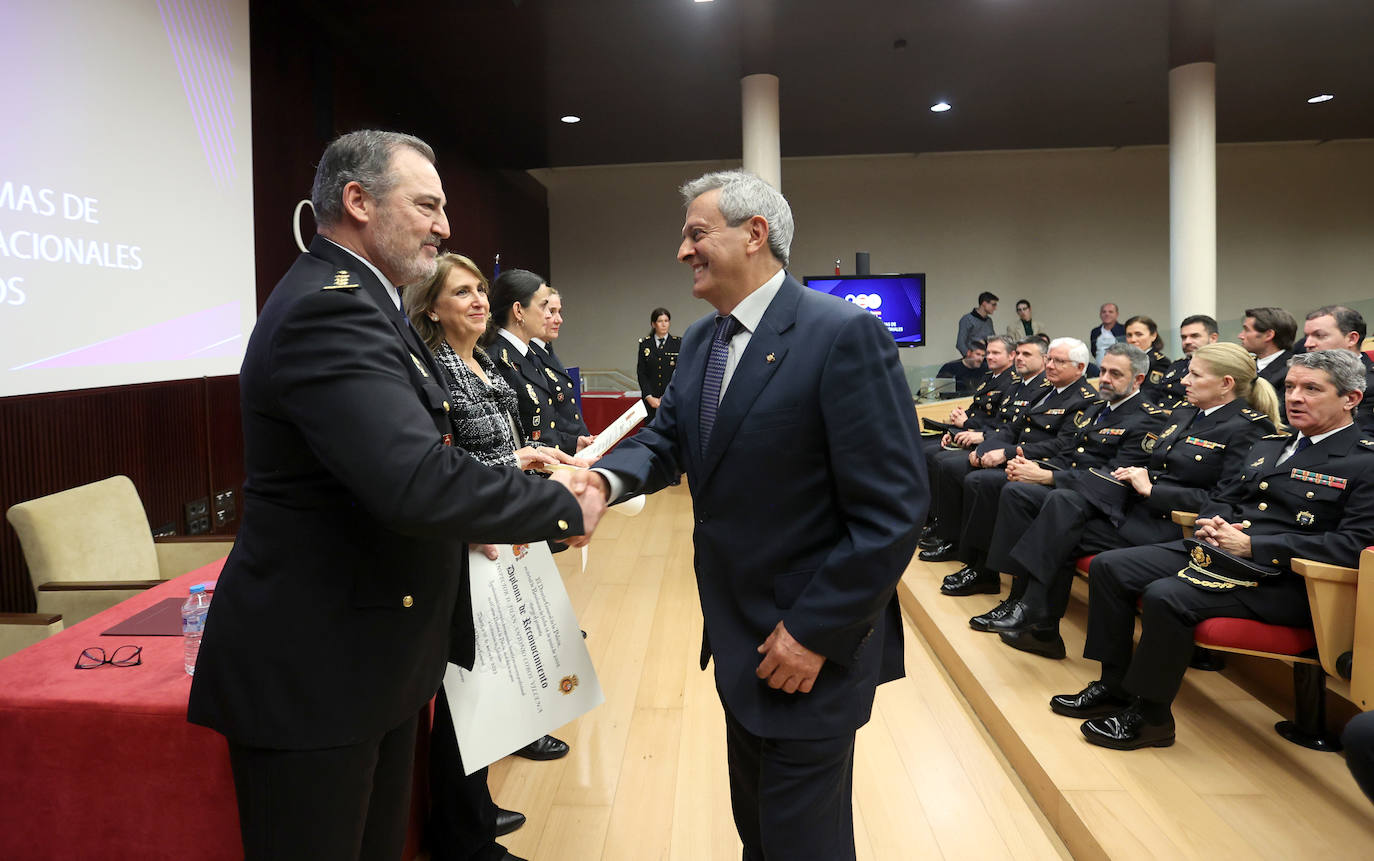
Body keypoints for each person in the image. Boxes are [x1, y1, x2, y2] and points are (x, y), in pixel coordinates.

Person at [186, 130, 602, 861]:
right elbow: (411, 478)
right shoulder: (331, 308)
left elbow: (394, 471)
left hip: (371, 659)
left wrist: (470, 517)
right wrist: (564, 501)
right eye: (427, 205)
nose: (444, 226)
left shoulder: (368, 304)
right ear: (357, 201)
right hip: (318, 673)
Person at [587, 170, 927, 860]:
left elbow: (894, 510)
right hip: (740, 641)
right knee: (761, 832)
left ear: (755, 232)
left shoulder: (842, 335)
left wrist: (813, 633)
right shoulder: (704, 341)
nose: (682, 250)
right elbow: (669, 439)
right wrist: (601, 480)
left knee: (803, 842)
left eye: (695, 232)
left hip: (806, 649)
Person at [1055, 350, 1374, 750]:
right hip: (1224, 552)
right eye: (1290, 386)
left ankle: (1150, 718)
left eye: (1312, 389)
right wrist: (1216, 521)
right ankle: (1113, 685)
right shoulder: (1273, 444)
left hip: (1290, 582)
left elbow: (1355, 546)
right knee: (1110, 567)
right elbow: (1229, 496)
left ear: (1351, 399)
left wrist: (1256, 545)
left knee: (1167, 596)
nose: (1294, 397)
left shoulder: (1364, 460)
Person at [406, 253, 589, 861]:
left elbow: (499, 447)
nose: (480, 301)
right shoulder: (432, 369)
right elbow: (444, 467)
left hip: (502, 532)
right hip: (468, 542)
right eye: (463, 293)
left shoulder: (481, 361)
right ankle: (460, 833)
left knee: (495, 678)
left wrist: (527, 457)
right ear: (433, 307)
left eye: (482, 290)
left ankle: (475, 808)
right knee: (467, 690)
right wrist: (512, 468)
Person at [981, 342, 1280, 656]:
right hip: (1140, 514)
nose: (1183, 381)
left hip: (1174, 528)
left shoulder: (1248, 429)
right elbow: (1155, 466)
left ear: (1225, 384)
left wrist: (1152, 490)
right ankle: (1036, 622)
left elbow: (1222, 500)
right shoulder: (1186, 414)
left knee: (1062, 517)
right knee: (1060, 511)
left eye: (1194, 374)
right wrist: (1139, 478)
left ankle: (1039, 623)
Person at [934, 343, 1163, 599]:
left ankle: (1019, 597)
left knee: (1016, 491)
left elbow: (1111, 477)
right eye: (1105, 370)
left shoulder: (1146, 418)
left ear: (1138, 379)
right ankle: (986, 573)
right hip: (1067, 479)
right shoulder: (1098, 408)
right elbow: (1067, 452)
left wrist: (1046, 474)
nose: (1105, 379)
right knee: (998, 484)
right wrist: (1016, 460)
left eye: (1115, 374)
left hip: (1094, 498)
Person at [920, 338, 1099, 591]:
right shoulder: (1047, 391)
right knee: (966, 470)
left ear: (1080, 368)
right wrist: (983, 450)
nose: (1051, 365)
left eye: (1059, 361)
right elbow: (1012, 428)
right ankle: (970, 557)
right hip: (1019, 456)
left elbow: (1061, 446)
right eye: (1050, 359)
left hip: (1041, 464)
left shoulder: (1085, 399)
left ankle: (985, 570)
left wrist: (1006, 452)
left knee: (981, 481)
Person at [485, 270, 593, 455]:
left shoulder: (529, 355)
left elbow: (545, 428)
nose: (548, 316)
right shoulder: (496, 359)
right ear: (519, 311)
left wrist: (572, 443)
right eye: (544, 307)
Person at [529, 287, 591, 449]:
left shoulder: (546, 350)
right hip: (560, 448)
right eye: (551, 311)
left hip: (575, 444)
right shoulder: (529, 355)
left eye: (559, 312)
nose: (558, 319)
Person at [1302, 305, 1374, 434]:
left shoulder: (1371, 382)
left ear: (1351, 339)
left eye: (1319, 335)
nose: (1308, 344)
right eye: (1306, 336)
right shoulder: (1297, 376)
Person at [1148, 314, 1219, 406]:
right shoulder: (1177, 366)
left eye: (1194, 336)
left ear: (1213, 338)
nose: (1187, 342)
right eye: (1183, 337)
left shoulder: (1219, 367)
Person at [637, 306, 681, 421]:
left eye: (666, 321)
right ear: (653, 324)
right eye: (660, 321)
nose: (663, 324)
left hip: (672, 399)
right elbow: (642, 373)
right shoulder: (645, 344)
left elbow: (681, 373)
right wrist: (649, 397)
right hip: (651, 400)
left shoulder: (678, 343)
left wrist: (667, 396)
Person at [1239, 306, 1297, 391]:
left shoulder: (1292, 371)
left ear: (1269, 335)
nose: (1240, 336)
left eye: (1247, 330)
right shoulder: (1245, 367)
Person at [1122, 314, 1171, 389]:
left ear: (1153, 336)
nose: (1133, 340)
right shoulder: (1124, 359)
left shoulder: (1160, 362)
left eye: (1139, 334)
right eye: (1129, 335)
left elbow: (1150, 393)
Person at [956, 291, 998, 356]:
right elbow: (960, 344)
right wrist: (971, 358)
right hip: (973, 361)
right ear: (984, 303)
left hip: (988, 359)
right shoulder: (967, 319)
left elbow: (992, 341)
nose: (995, 308)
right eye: (993, 304)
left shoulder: (989, 320)